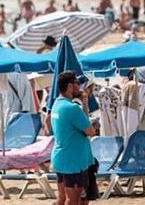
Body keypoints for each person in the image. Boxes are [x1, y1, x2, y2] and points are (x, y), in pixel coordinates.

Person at [50, 71, 98, 205]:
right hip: (74, 162)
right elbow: (90, 131)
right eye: (77, 83)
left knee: (62, 199)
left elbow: (81, 124)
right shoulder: (72, 108)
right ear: (70, 86)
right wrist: (94, 127)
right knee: (74, 201)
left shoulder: (57, 104)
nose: (80, 87)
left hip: (62, 158)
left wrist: (85, 102)